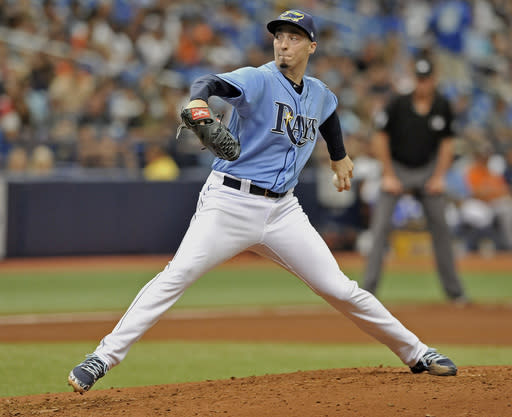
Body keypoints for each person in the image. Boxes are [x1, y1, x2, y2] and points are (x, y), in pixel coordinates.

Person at [68, 10, 458, 394]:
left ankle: (417, 352)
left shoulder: (319, 92)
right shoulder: (259, 79)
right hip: (229, 202)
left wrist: (339, 156)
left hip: (283, 211)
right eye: (278, 36)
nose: (283, 43)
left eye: (293, 37)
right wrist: (197, 103)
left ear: (311, 46)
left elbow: (329, 115)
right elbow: (208, 82)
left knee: (340, 289)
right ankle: (101, 358)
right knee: (177, 275)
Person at [362, 56, 468, 303]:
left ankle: (455, 293)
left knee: (441, 227)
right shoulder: (398, 103)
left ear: (434, 80)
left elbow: (447, 144)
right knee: (379, 229)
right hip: (397, 167)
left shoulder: (442, 105)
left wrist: (439, 177)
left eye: (426, 80)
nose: (422, 85)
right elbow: (380, 138)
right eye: (419, 80)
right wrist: (388, 174)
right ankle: (367, 293)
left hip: (428, 170)